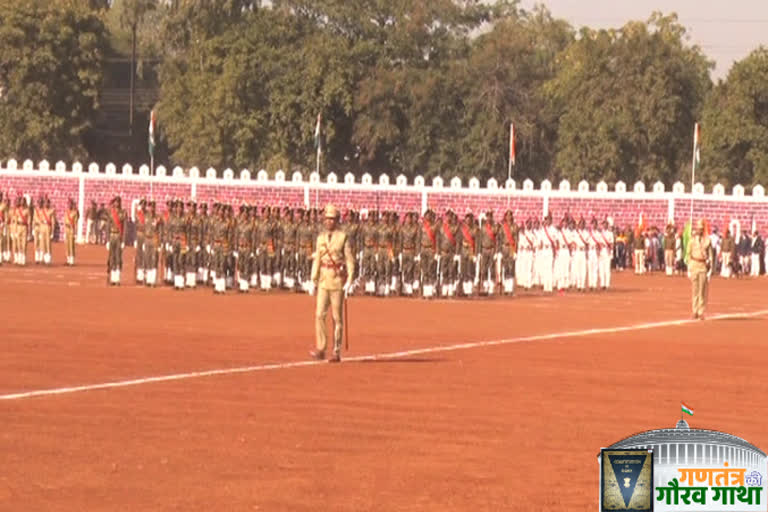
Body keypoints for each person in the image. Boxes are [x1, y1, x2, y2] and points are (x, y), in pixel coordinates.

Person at [310, 204, 355, 363]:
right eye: (327, 219)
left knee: (337, 318)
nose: (329, 222)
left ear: (336, 220)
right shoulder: (320, 238)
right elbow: (317, 260)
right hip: (323, 280)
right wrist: (312, 279)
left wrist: (349, 280)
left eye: (332, 219)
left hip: (337, 281)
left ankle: (336, 350)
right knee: (319, 314)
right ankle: (321, 348)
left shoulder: (343, 237)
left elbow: (349, 259)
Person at [687, 219, 711, 320]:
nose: (700, 231)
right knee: (694, 291)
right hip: (694, 265)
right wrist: (689, 268)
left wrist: (710, 270)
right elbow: (688, 254)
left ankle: (701, 311)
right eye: (698, 229)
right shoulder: (692, 241)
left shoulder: (707, 241)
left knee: (702, 291)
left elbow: (710, 256)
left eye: (701, 229)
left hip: (703, 266)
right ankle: (694, 311)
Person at [64, 198, 79, 265]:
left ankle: (72, 259)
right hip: (66, 229)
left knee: (71, 244)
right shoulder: (66, 212)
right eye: (68, 204)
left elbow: (75, 223)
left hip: (71, 229)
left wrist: (75, 232)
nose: (69, 205)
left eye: (70, 204)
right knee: (67, 245)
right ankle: (68, 259)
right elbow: (65, 221)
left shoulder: (74, 212)